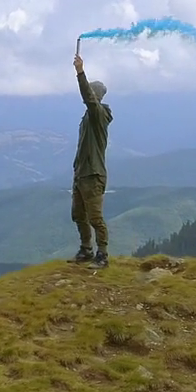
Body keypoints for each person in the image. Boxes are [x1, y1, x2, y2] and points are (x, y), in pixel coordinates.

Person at [69, 51, 113, 268]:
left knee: (95, 217)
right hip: (82, 173)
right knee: (78, 214)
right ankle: (86, 249)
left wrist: (80, 73)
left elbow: (88, 98)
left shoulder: (99, 115)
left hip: (93, 175)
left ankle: (102, 255)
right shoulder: (88, 116)